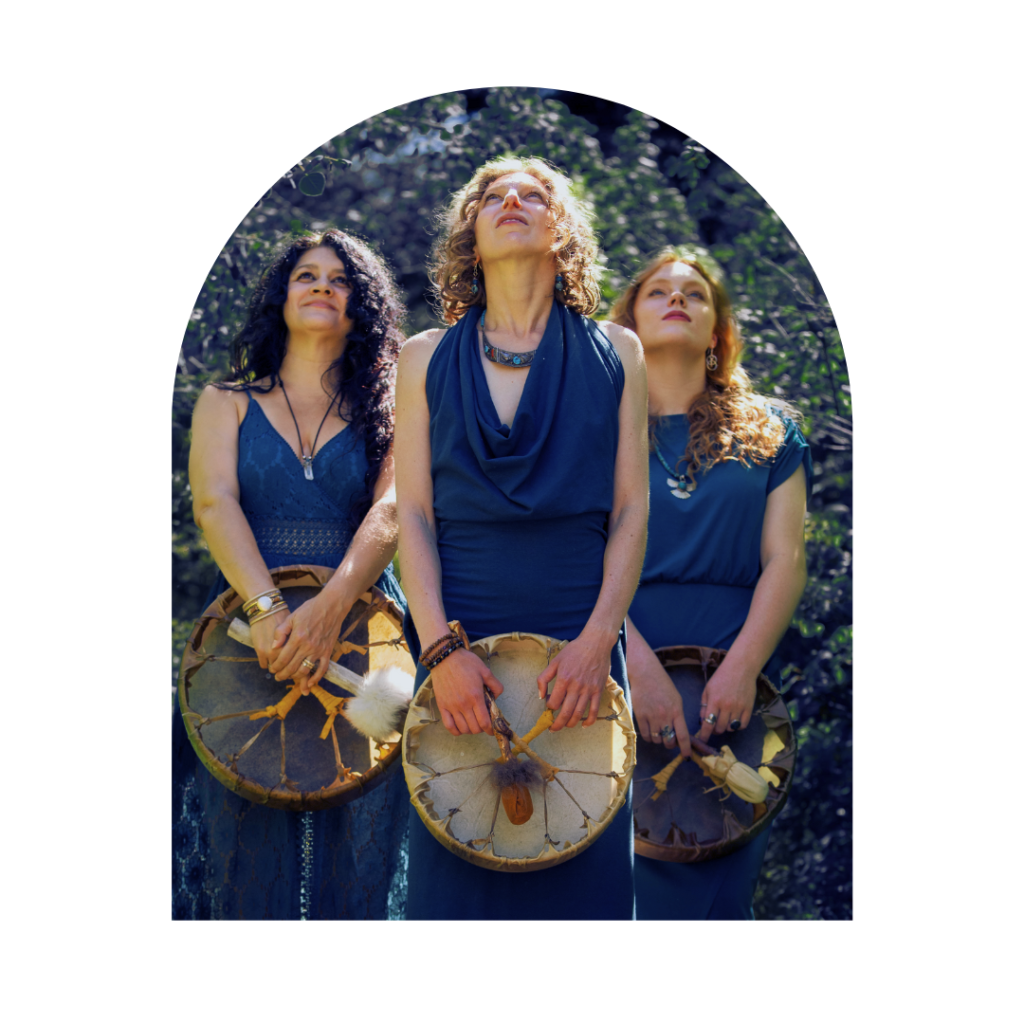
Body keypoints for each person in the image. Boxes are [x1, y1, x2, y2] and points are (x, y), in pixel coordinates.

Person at [394, 156, 648, 920]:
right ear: (470, 233)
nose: (512, 200)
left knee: (586, 883)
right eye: (493, 195)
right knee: (455, 885)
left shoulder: (620, 351)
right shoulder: (422, 358)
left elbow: (633, 511)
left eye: (535, 195)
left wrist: (598, 640)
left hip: (583, 647)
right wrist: (440, 654)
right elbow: (412, 516)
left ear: (561, 231)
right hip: (457, 650)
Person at [172, 229, 408, 920]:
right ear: (281, 296)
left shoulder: (392, 409)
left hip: (371, 631)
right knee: (245, 824)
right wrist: (271, 609)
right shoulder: (225, 401)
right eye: (307, 275)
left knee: (365, 827)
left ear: (361, 306)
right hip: (246, 629)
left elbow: (392, 510)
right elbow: (213, 504)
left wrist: (333, 605)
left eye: (341, 280)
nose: (323, 287)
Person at [609, 249, 811, 920]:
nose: (676, 299)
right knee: (621, 881)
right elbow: (576, 554)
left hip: (737, 676)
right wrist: (633, 666)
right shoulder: (595, 430)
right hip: (615, 664)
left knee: (719, 877)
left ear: (718, 332)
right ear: (628, 322)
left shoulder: (772, 431)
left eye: (694, 294)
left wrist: (742, 671)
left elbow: (786, 560)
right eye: (658, 291)